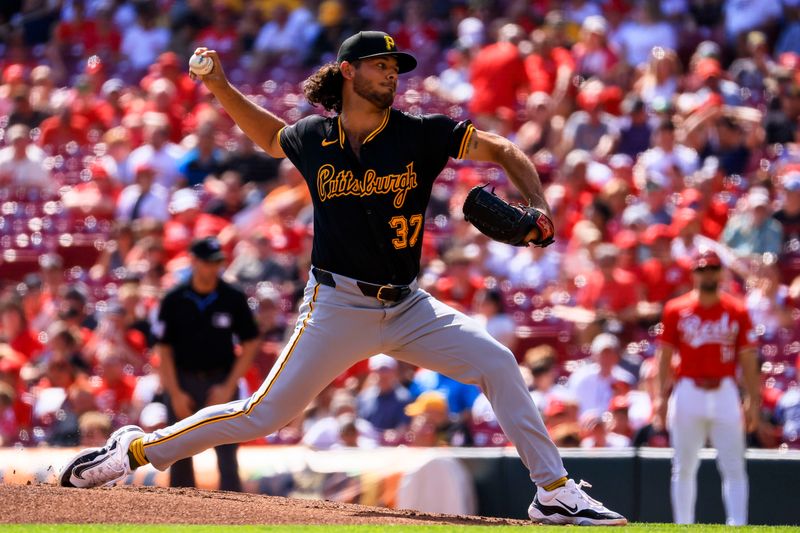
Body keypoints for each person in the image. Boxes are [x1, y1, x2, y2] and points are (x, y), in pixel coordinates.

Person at [58, 31, 626, 526]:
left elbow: (500, 148)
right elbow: (269, 137)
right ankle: (132, 452)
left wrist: (537, 204)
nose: (393, 75)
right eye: (382, 65)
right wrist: (220, 86)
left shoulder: (420, 133)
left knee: (498, 361)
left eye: (396, 67)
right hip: (336, 305)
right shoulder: (314, 138)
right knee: (264, 414)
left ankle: (553, 493)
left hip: (409, 307)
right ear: (350, 71)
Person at [654, 248, 760, 526]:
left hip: (725, 390)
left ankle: (737, 525)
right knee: (683, 467)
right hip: (688, 389)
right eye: (702, 269)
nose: (708, 273)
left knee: (734, 466)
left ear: (721, 272)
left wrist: (753, 400)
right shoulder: (676, 309)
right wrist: (660, 398)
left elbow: (748, 359)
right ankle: (683, 526)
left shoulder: (737, 309)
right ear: (694, 273)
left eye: (712, 268)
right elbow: (664, 356)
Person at [151, 236, 259, 491]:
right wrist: (174, 392)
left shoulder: (231, 297)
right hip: (183, 381)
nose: (214, 268)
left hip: (220, 380)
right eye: (209, 262)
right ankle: (180, 518)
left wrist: (227, 386)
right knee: (178, 452)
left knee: (227, 453)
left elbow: (251, 342)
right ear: (195, 262)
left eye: (218, 262)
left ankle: (234, 518)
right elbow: (163, 348)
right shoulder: (174, 299)